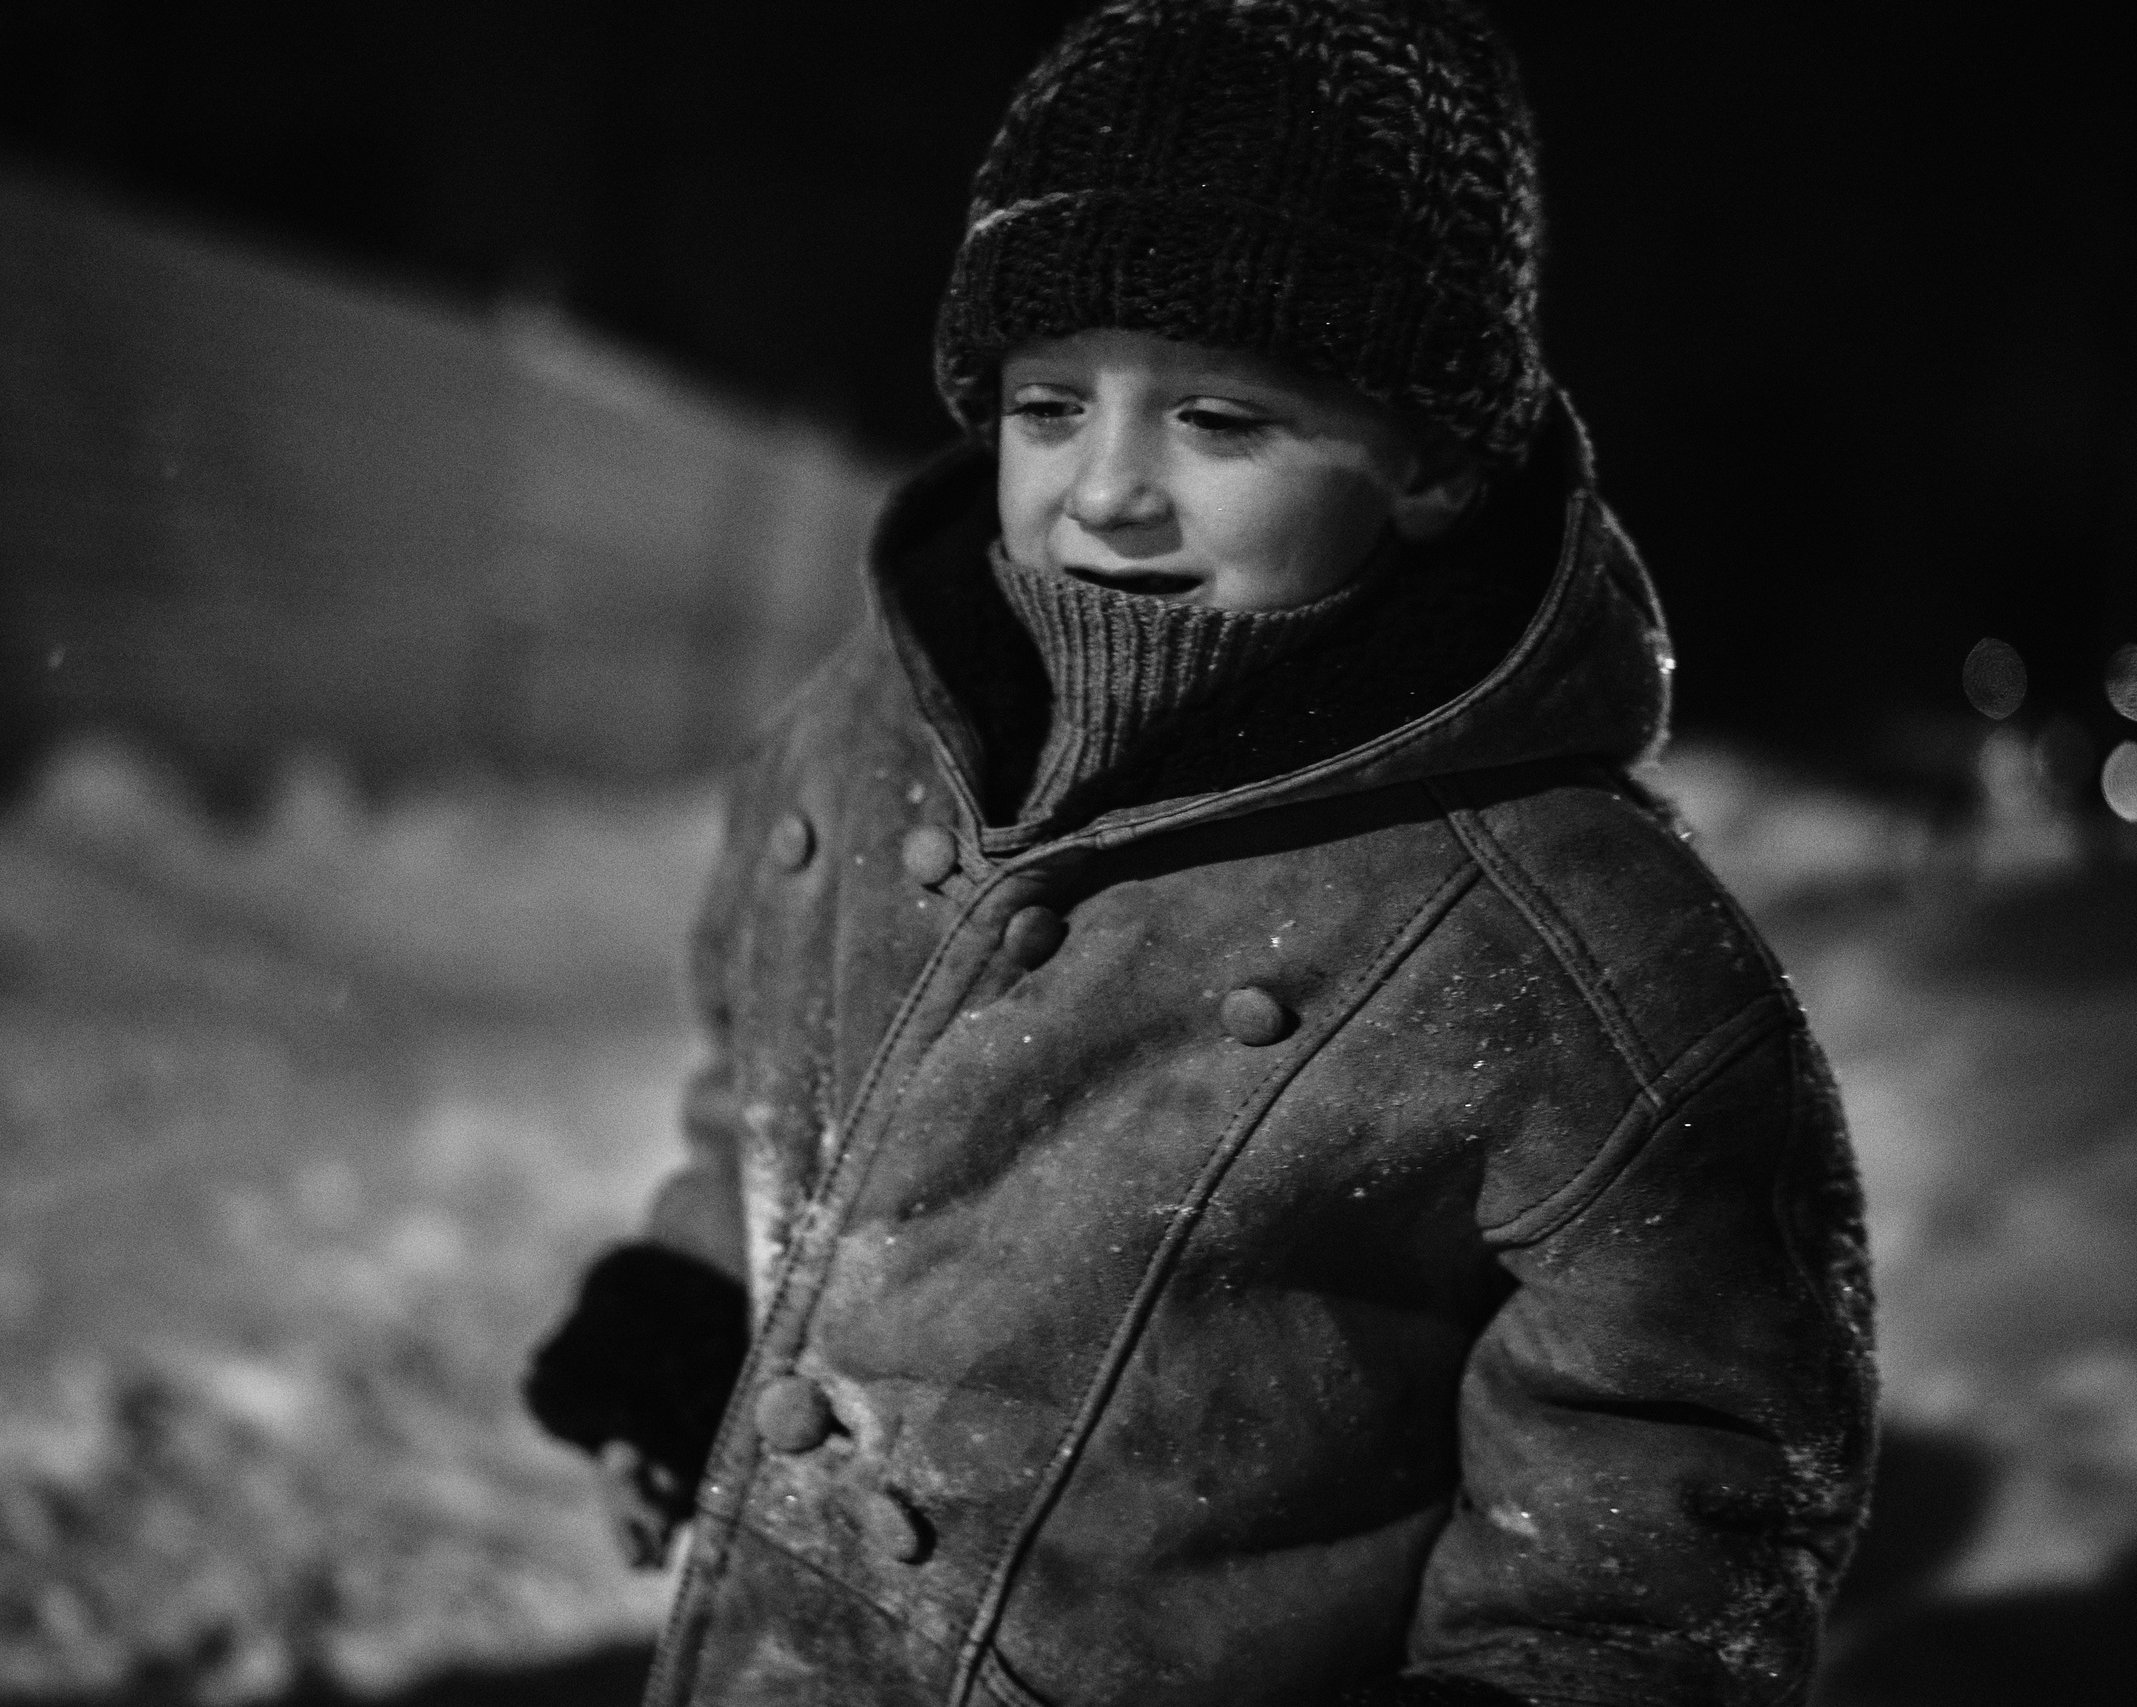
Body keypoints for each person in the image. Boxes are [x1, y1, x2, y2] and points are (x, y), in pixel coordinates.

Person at [524, 2, 1878, 1703]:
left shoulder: (1567, 949)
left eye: (1221, 421)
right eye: (1046, 404)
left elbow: (1667, 1499)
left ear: (1437, 462)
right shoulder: (860, 738)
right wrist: (695, 1300)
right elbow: (775, 1089)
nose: (1106, 491)